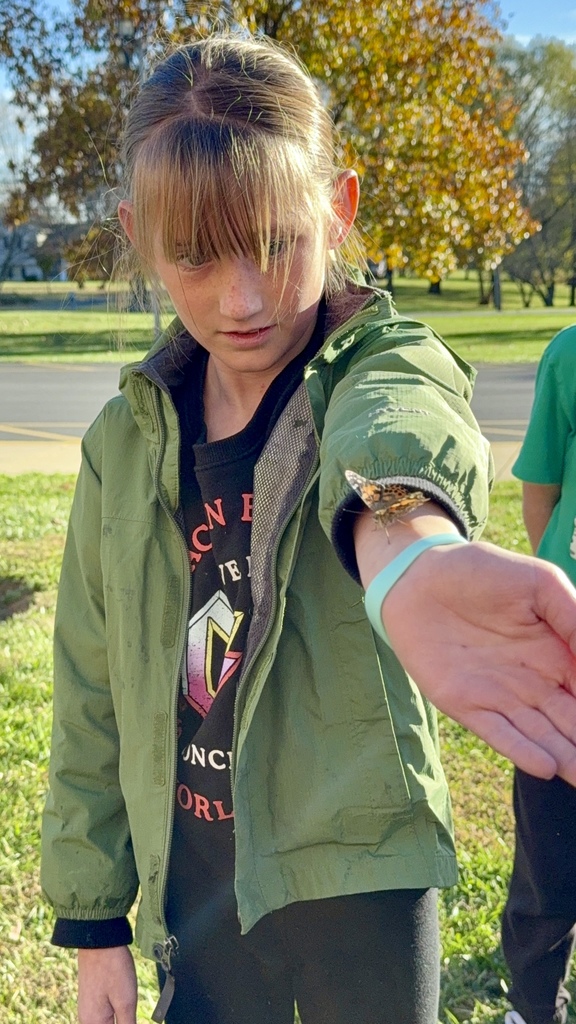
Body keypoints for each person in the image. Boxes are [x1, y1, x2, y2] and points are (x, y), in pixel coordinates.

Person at [40, 33, 576, 1024]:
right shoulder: (121, 441)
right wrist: (93, 922)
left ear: (340, 211)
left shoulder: (378, 367)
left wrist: (402, 542)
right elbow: (90, 689)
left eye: (277, 242)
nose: (241, 299)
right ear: (139, 234)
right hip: (197, 885)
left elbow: (398, 424)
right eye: (196, 255)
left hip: (362, 877)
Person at [502, 323, 576, 1024]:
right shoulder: (570, 353)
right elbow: (540, 497)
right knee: (547, 865)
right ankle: (531, 1004)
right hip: (564, 658)